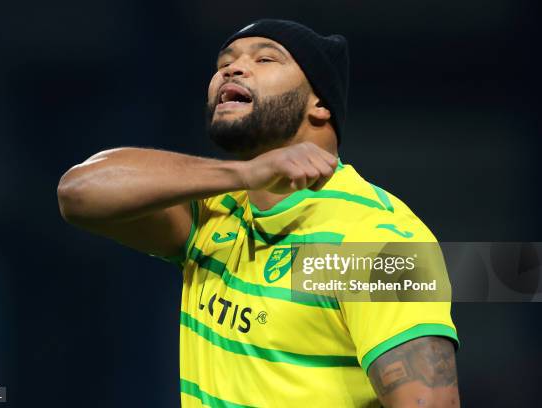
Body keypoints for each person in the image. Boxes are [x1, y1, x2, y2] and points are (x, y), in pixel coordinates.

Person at [57, 19, 460, 407]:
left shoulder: (374, 236)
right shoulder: (215, 216)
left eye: (265, 59)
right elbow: (78, 193)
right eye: (224, 63)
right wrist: (245, 173)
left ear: (320, 103)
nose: (232, 68)